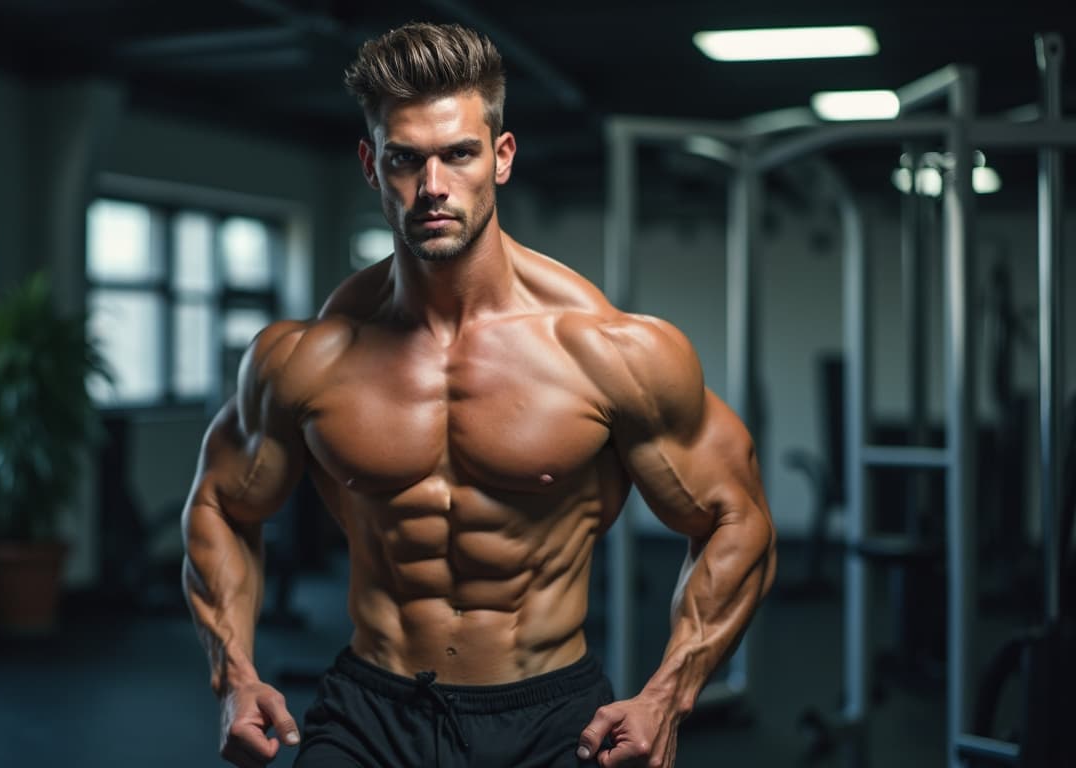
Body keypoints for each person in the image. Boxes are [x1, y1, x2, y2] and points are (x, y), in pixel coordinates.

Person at [182, 21, 777, 768]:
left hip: (551, 713)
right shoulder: (304, 358)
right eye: (405, 159)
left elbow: (737, 519)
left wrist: (669, 693)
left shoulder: (607, 351)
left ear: (500, 157)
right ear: (371, 164)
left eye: (458, 154)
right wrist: (233, 674)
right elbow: (220, 507)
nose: (432, 187)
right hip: (371, 710)